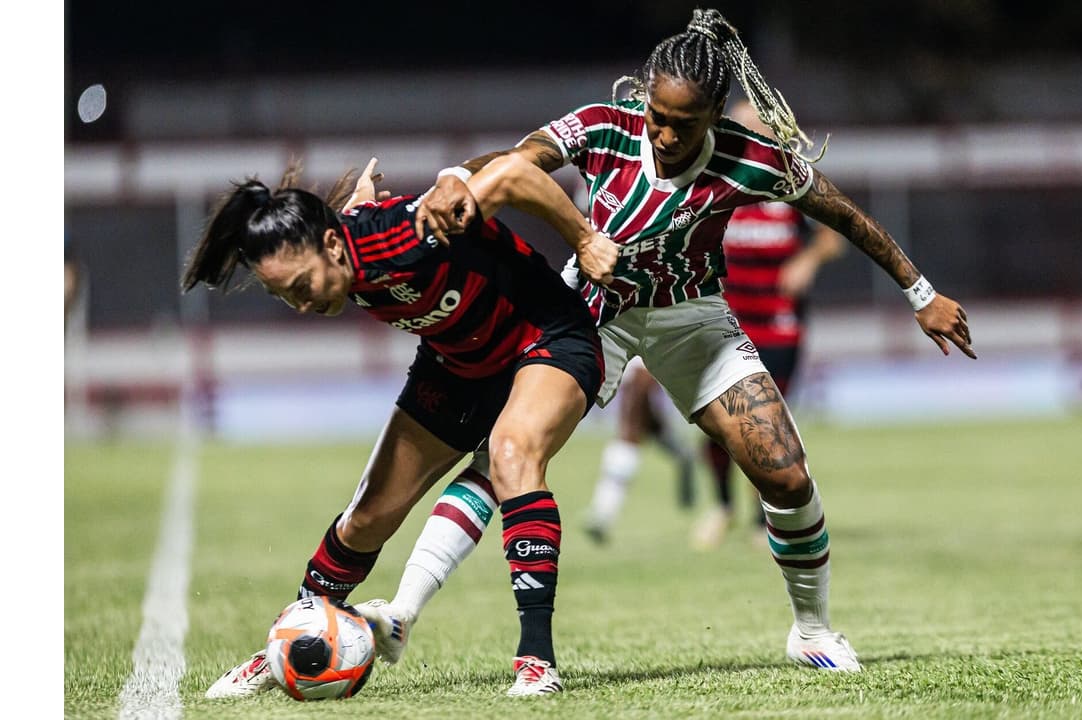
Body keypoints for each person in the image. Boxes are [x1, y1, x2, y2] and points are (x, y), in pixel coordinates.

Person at [416, 7, 975, 674]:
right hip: (594, 312)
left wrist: (921, 293)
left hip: (694, 318)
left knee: (788, 476)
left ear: (715, 115)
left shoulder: (753, 161)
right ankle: (400, 613)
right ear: (644, 93)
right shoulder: (604, 127)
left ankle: (813, 632)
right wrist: (458, 177)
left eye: (683, 124)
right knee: (509, 452)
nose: (663, 133)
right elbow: (520, 161)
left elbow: (844, 215)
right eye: (657, 115)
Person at [186, 153, 617, 698]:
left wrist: (582, 238)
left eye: (300, 285)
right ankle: (291, 638)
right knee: (366, 515)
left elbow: (512, 173)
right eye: (284, 295)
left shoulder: (409, 231)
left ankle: (536, 659)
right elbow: (356, 218)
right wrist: (361, 201)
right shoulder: (345, 245)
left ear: (331, 246)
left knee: (511, 454)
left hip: (547, 336)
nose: (300, 304)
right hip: (458, 364)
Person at [690, 99, 846, 551]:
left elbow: (833, 234)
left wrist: (808, 259)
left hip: (780, 325)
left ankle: (765, 520)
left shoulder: (786, 184)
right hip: (724, 325)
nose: (752, 131)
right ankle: (721, 507)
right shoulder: (714, 184)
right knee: (716, 425)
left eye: (759, 124)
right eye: (743, 124)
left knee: (767, 425)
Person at [583, 357, 697, 545]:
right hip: (630, 432)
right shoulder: (640, 368)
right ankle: (601, 515)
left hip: (640, 372)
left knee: (632, 436)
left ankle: (602, 514)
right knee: (640, 439)